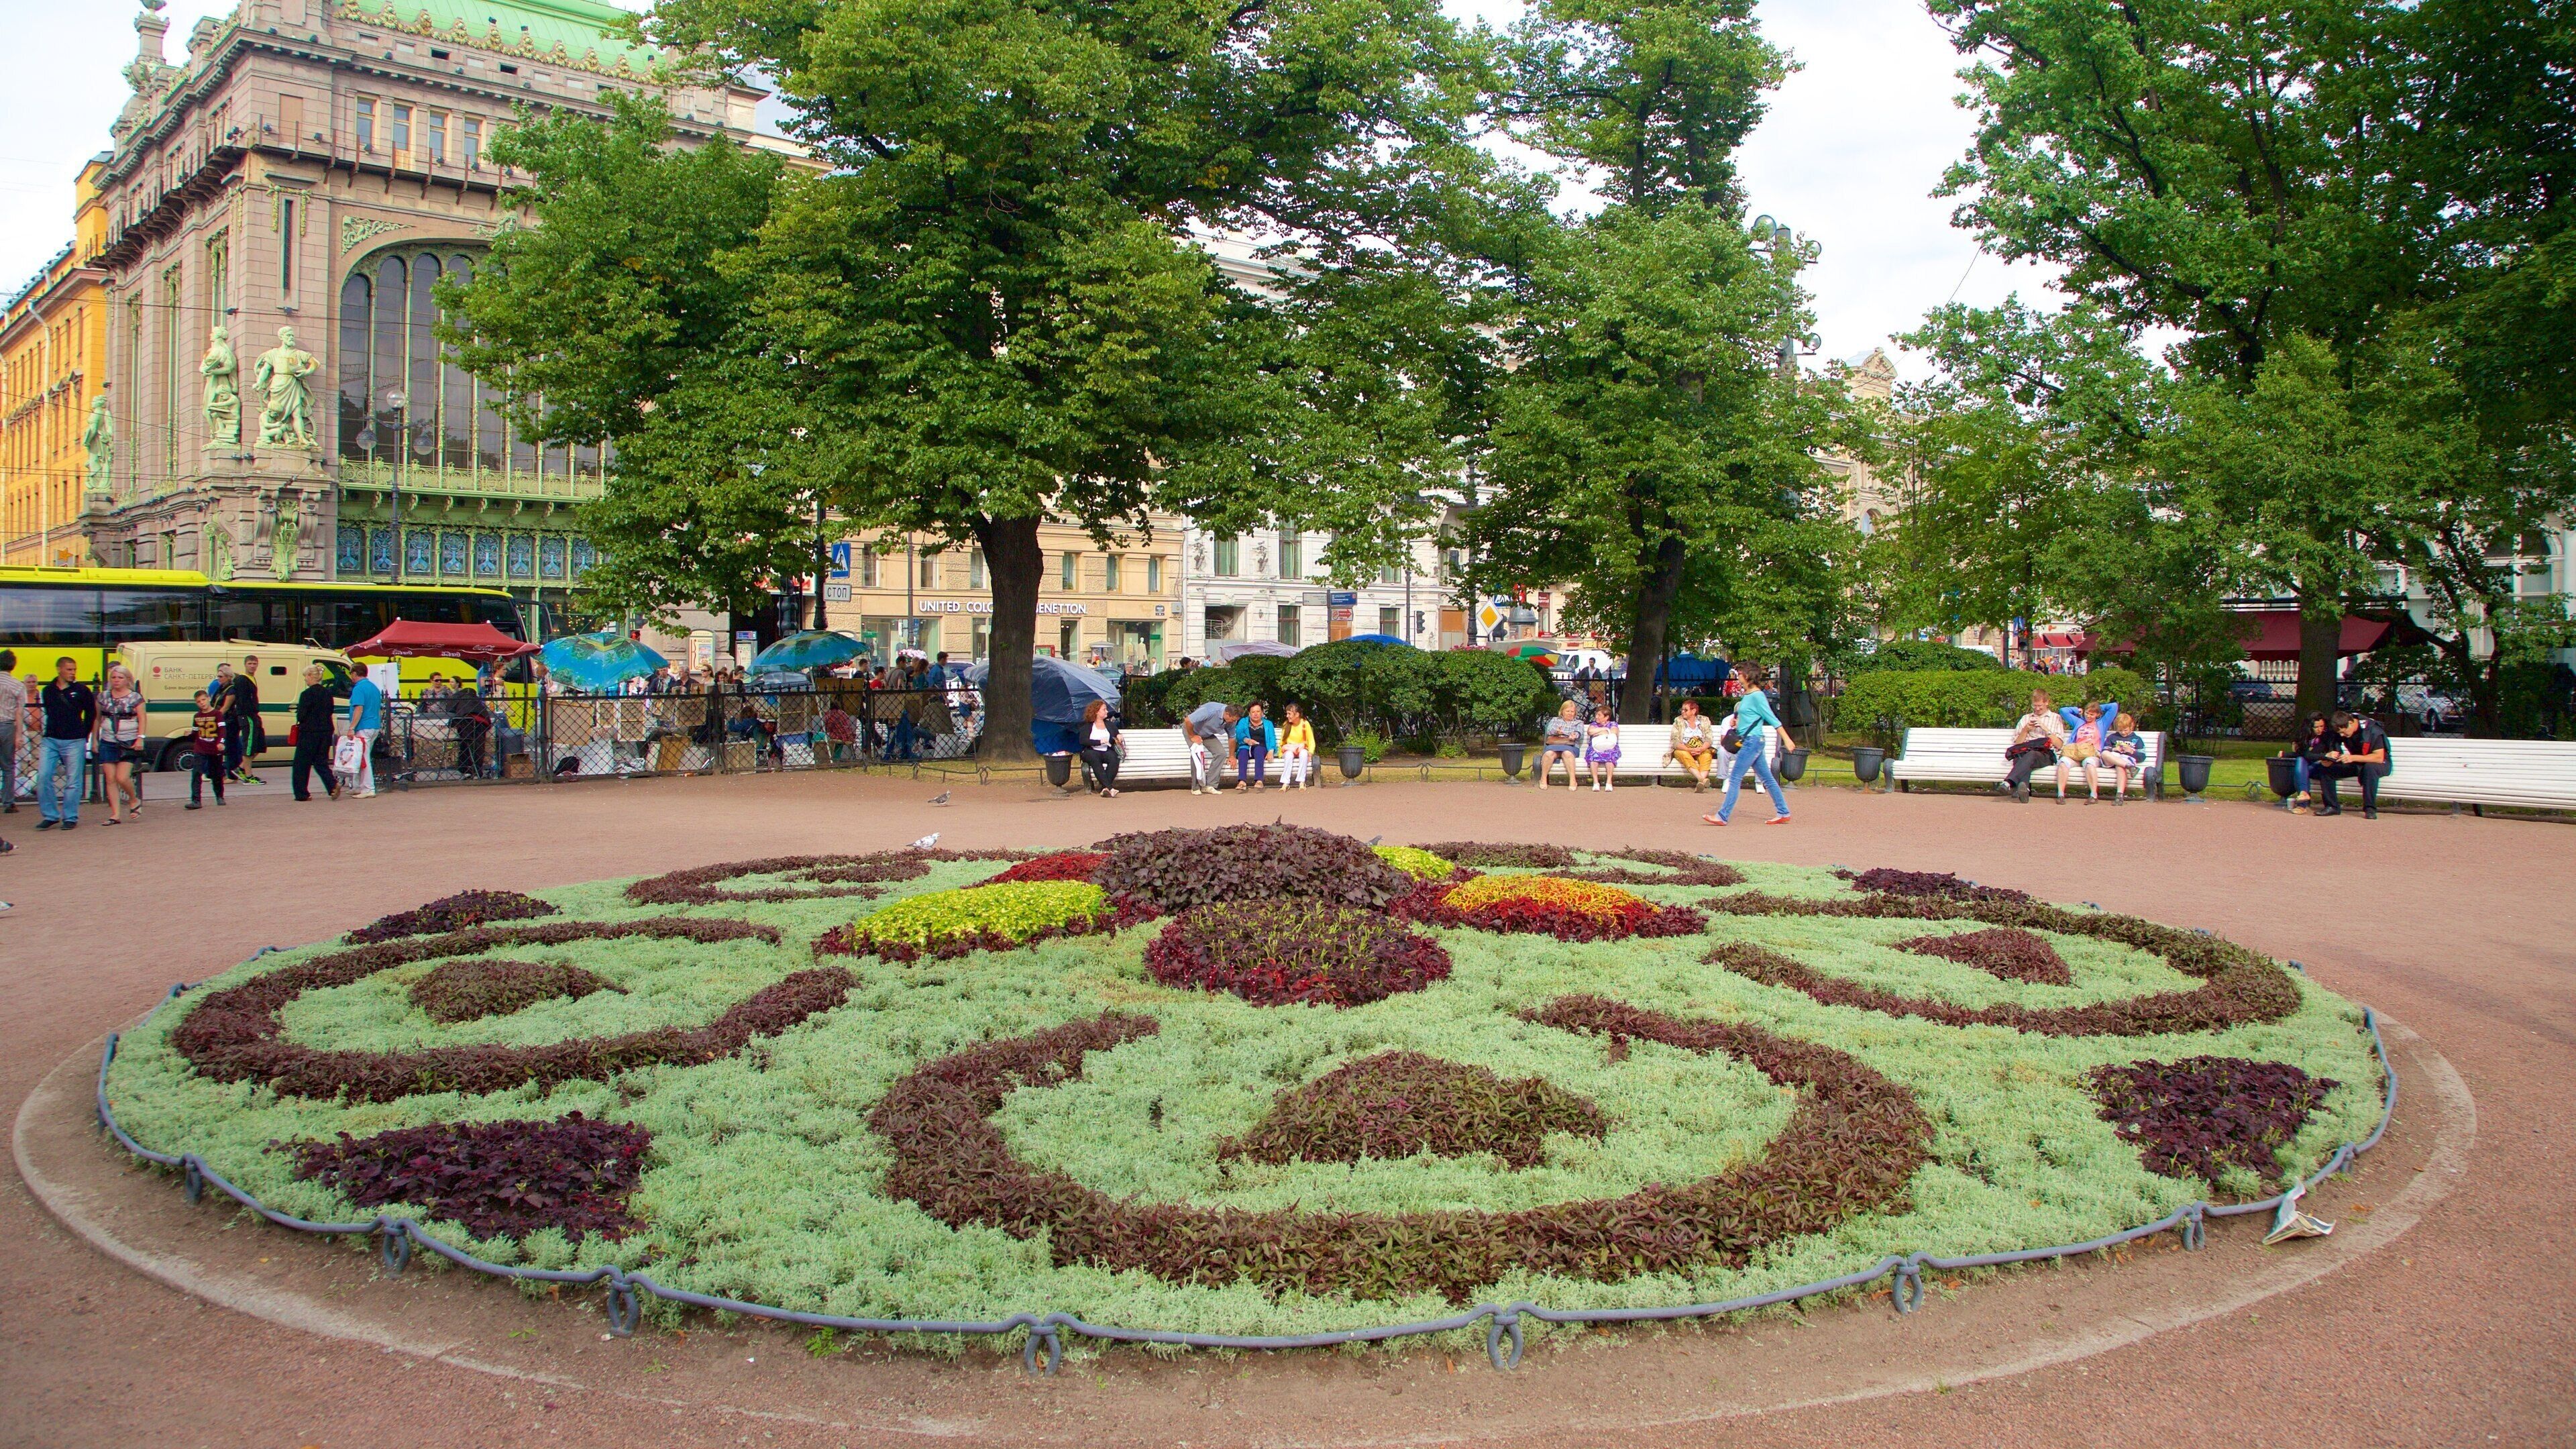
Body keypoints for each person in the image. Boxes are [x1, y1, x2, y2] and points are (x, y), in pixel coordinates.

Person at [1703, 666, 1790, 826]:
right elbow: (1751, 717)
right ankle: (1783, 812)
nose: (1738, 675)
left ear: (1749, 676)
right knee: (1768, 779)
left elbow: (1772, 718)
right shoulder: (1748, 695)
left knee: (1735, 777)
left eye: (1741, 673)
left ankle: (1723, 816)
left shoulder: (1757, 696)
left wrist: (1787, 739)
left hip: (1753, 741)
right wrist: (1738, 723)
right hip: (1752, 740)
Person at [35, 657, 95, 831]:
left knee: (73, 780)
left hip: (74, 740)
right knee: (44, 776)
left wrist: (84, 734)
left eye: (74, 669)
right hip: (51, 739)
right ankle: (51, 815)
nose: (73, 673)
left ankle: (70, 816)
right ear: (59, 670)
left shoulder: (82, 690)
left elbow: (90, 714)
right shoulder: (48, 691)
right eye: (69, 670)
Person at [2310, 711, 2392, 818]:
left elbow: (2379, 758)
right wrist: (2329, 759)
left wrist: (2352, 758)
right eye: (2340, 733)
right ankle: (2332, 806)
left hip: (2379, 764)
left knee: (2369, 768)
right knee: (2327, 769)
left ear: (2351, 722)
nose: (2342, 736)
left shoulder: (2372, 730)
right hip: (2358, 763)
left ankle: (2370, 809)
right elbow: (2334, 747)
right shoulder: (2342, 730)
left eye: (2344, 732)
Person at [93, 663, 146, 824]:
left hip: (128, 740)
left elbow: (142, 718)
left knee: (122, 777)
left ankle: (133, 799)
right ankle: (115, 814)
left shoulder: (135, 697)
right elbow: (98, 718)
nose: (116, 681)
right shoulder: (103, 697)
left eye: (120, 678)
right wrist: (94, 739)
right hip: (108, 740)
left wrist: (140, 737)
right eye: (114, 678)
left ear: (127, 679)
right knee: (110, 778)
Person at [2002, 689, 2070, 803]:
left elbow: (2059, 745)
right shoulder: (2026, 718)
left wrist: (2045, 729)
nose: (2037, 709)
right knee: (2022, 757)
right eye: (2035, 706)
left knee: (2031, 755)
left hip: (2045, 754)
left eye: (2040, 706)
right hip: (2025, 752)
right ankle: (2025, 790)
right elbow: (2017, 744)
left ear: (2047, 702)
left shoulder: (2055, 718)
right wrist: (2025, 730)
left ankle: (2009, 782)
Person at [290, 663, 340, 802]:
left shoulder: (306, 694)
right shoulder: (328, 693)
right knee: (320, 761)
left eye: (306, 676)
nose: (305, 680)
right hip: (326, 730)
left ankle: (302, 793)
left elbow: (301, 716)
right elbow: (330, 711)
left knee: (301, 763)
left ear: (311, 676)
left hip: (309, 731)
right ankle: (332, 785)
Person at [183, 690, 228, 809]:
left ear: (208, 699)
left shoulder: (217, 714)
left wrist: (221, 742)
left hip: (214, 749)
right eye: (198, 702)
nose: (202, 703)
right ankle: (196, 800)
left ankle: (219, 796)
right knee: (196, 773)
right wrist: (189, 734)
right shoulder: (197, 716)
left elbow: (222, 731)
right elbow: (195, 733)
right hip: (200, 748)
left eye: (203, 700)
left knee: (216, 774)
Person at [2280, 714, 2332, 814]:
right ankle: (2304, 795)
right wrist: (2322, 755)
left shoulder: (2326, 736)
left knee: (2300, 769)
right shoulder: (2303, 736)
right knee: (2301, 761)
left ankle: (2302, 805)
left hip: (2320, 767)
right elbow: (2305, 754)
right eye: (2316, 727)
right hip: (2307, 766)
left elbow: (2311, 754)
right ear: (2309, 727)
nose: (2319, 729)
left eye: (2322, 726)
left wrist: (2287, 754)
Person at [345, 666, 384, 798]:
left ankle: (368, 788)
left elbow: (358, 709)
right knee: (360, 756)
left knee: (363, 758)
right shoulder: (374, 687)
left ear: (355, 673)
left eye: (351, 673)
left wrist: (352, 728)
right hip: (374, 726)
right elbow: (378, 709)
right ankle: (358, 786)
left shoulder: (359, 688)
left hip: (363, 726)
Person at [1186, 699, 1238, 795]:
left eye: (1235, 720)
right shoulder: (1210, 710)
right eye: (1233, 720)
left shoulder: (1232, 720)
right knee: (1196, 754)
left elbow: (1232, 738)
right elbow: (1188, 720)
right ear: (1227, 714)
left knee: (1221, 754)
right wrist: (1192, 736)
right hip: (1192, 731)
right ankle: (1195, 787)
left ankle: (1210, 785)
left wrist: (1232, 756)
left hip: (1207, 734)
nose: (1233, 722)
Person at [2092, 711, 2146, 804]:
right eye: (2120, 730)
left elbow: (2142, 756)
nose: (2123, 733)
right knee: (2104, 753)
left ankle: (2119, 795)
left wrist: (2132, 751)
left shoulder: (2137, 739)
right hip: (2112, 759)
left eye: (2125, 730)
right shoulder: (2112, 737)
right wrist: (2114, 749)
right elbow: (2106, 750)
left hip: (2126, 759)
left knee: (2120, 766)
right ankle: (2129, 767)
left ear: (2131, 727)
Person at [1667, 698, 1719, 792]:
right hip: (1683, 749)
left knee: (1707, 755)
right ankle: (1702, 779)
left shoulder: (1704, 720)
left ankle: (1700, 784)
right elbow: (1675, 742)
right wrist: (1688, 749)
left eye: (1685, 710)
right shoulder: (1678, 721)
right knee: (1684, 755)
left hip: (1700, 748)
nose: (1683, 712)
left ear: (1694, 711)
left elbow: (1709, 738)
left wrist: (1702, 748)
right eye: (1682, 710)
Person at [231, 653, 268, 782]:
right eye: (250, 664)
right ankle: (248, 776)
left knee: (259, 745)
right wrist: (247, 713)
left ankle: (241, 769)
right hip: (247, 716)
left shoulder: (252, 679)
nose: (252, 666)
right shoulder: (242, 680)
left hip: (254, 715)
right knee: (249, 746)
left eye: (254, 664)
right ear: (245, 665)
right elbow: (241, 700)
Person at [1077, 698, 1123, 796]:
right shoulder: (1087, 725)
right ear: (1097, 712)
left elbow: (1116, 735)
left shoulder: (1110, 725)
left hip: (1106, 750)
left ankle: (1105, 788)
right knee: (1094, 758)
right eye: (1104, 709)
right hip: (1091, 751)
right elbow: (1083, 741)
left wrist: (1119, 736)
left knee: (1114, 758)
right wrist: (1099, 742)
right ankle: (1110, 788)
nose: (1107, 712)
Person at [2064, 702, 2108, 802]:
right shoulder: (2079, 722)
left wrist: (2097, 707)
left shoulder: (2102, 723)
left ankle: (2093, 795)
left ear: (2098, 715)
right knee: (2064, 762)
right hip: (2077, 754)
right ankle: (2061, 795)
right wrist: (2077, 710)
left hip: (2092, 754)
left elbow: (2114, 707)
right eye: (2087, 713)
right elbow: (2063, 711)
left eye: (2092, 714)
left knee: (2089, 762)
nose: (2088, 716)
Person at [450, 683, 494, 778]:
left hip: (466, 720)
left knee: (466, 743)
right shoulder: (476, 699)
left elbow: (450, 708)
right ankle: (477, 771)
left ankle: (466, 769)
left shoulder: (459, 697)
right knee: (478, 746)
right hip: (482, 721)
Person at [1538, 699, 1584, 790]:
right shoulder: (1555, 720)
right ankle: (1543, 779)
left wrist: (1574, 735)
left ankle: (1573, 780)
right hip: (1555, 745)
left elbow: (1580, 733)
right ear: (1562, 711)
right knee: (1549, 754)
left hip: (1570, 746)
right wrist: (1557, 731)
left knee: (1567, 753)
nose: (1570, 713)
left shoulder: (1578, 722)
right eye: (1568, 711)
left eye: (1572, 712)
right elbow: (1549, 730)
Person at [1234, 701, 1277, 791]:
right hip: (1246, 747)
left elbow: (1272, 738)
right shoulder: (1243, 722)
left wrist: (1271, 751)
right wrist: (1247, 740)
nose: (1256, 714)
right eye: (1253, 712)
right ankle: (1242, 781)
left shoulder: (1268, 724)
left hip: (1261, 748)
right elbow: (1239, 734)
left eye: (1258, 711)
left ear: (1262, 712)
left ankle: (1259, 780)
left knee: (1259, 750)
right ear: (1249, 713)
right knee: (1242, 752)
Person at [0, 649, 23, 814]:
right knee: (8, 766)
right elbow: (19, 713)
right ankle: (8, 802)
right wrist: (19, 735)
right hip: (7, 726)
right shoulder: (18, 685)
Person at [1277, 703, 1316, 789]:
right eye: (1287, 714)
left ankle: (1302, 782)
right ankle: (1285, 783)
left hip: (1301, 749)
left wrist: (1310, 753)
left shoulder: (1305, 724)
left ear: (1297, 714)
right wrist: (1282, 751)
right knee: (1289, 755)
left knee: (1303, 753)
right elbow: (1282, 743)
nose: (1287, 716)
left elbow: (1311, 741)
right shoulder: (1286, 725)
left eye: (1289, 714)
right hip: (1289, 750)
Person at [1584, 704, 1621, 791]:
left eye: (1599, 715)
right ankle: (1596, 783)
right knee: (1593, 757)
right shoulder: (1593, 724)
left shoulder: (1613, 724)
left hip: (1610, 747)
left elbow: (1614, 732)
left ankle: (1609, 782)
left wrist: (1599, 732)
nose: (1596, 717)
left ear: (1606, 717)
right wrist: (1604, 730)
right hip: (1595, 747)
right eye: (1596, 714)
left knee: (1610, 756)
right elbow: (1590, 732)